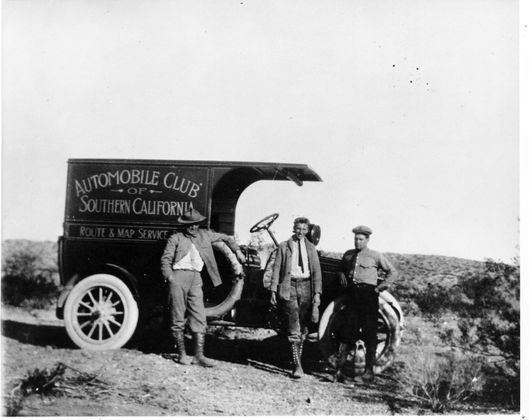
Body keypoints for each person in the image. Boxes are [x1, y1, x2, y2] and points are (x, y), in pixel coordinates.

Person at [160, 208, 246, 367]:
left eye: (195, 224)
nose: (192, 227)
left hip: (196, 278)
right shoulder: (175, 238)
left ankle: (199, 356)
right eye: (189, 224)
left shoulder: (205, 235)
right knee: (177, 316)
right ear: (184, 225)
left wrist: (238, 251)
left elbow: (227, 237)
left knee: (199, 315)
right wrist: (170, 277)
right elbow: (166, 260)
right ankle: (182, 355)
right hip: (178, 277)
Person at [336, 225, 397, 382]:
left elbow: (393, 272)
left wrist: (379, 288)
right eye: (356, 239)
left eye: (361, 239)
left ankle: (368, 372)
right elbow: (341, 268)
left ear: (367, 240)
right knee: (347, 332)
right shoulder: (348, 255)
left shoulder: (375, 256)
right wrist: (341, 274)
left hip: (369, 296)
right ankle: (340, 371)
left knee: (370, 333)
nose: (358, 242)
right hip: (352, 295)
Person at [270, 217, 322, 379]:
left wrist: (317, 294)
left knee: (304, 326)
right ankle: (297, 366)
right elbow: (276, 269)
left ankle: (298, 360)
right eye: (298, 229)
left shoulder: (311, 248)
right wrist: (273, 290)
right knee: (294, 327)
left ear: (307, 231)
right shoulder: (284, 246)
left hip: (306, 286)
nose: (300, 232)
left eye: (304, 229)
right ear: (294, 228)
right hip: (289, 286)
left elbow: (316, 273)